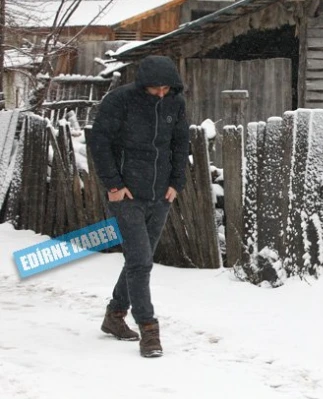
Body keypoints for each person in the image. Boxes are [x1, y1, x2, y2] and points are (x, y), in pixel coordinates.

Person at [87, 55, 190, 358]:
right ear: (143, 84)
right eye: (156, 88)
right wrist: (114, 185)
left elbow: (180, 143)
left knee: (137, 260)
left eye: (166, 89)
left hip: (160, 195)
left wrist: (176, 183)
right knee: (141, 262)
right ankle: (149, 330)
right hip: (127, 195)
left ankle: (115, 315)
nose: (161, 93)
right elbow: (99, 143)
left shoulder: (175, 102)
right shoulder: (119, 101)